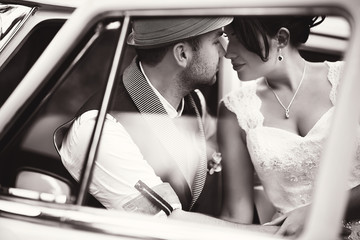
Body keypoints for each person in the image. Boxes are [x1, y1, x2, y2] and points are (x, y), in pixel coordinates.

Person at [54, 16, 277, 233]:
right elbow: (167, 223)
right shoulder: (99, 129)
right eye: (217, 40)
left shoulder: (195, 103)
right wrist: (278, 234)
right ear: (182, 54)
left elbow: (220, 159)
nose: (225, 51)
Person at [217, 15, 360, 238]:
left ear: (281, 38)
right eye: (227, 36)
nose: (228, 52)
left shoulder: (352, 80)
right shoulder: (235, 110)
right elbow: (236, 214)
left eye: (239, 38)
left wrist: (315, 213)